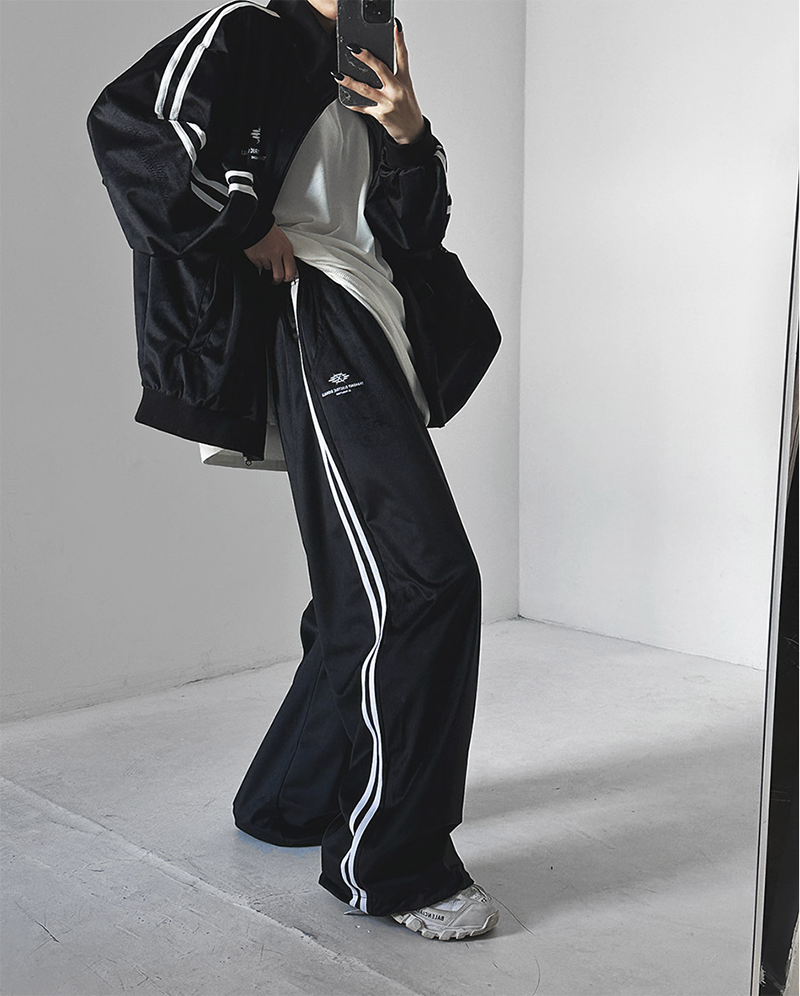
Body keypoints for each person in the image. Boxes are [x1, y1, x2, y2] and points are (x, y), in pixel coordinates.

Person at [87, 0, 500, 940]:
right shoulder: (248, 29)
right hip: (315, 308)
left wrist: (408, 129)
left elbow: (415, 232)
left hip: (374, 318)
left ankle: (288, 798)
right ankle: (392, 867)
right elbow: (128, 124)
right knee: (426, 579)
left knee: (366, 590)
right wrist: (239, 226)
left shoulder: (359, 61)